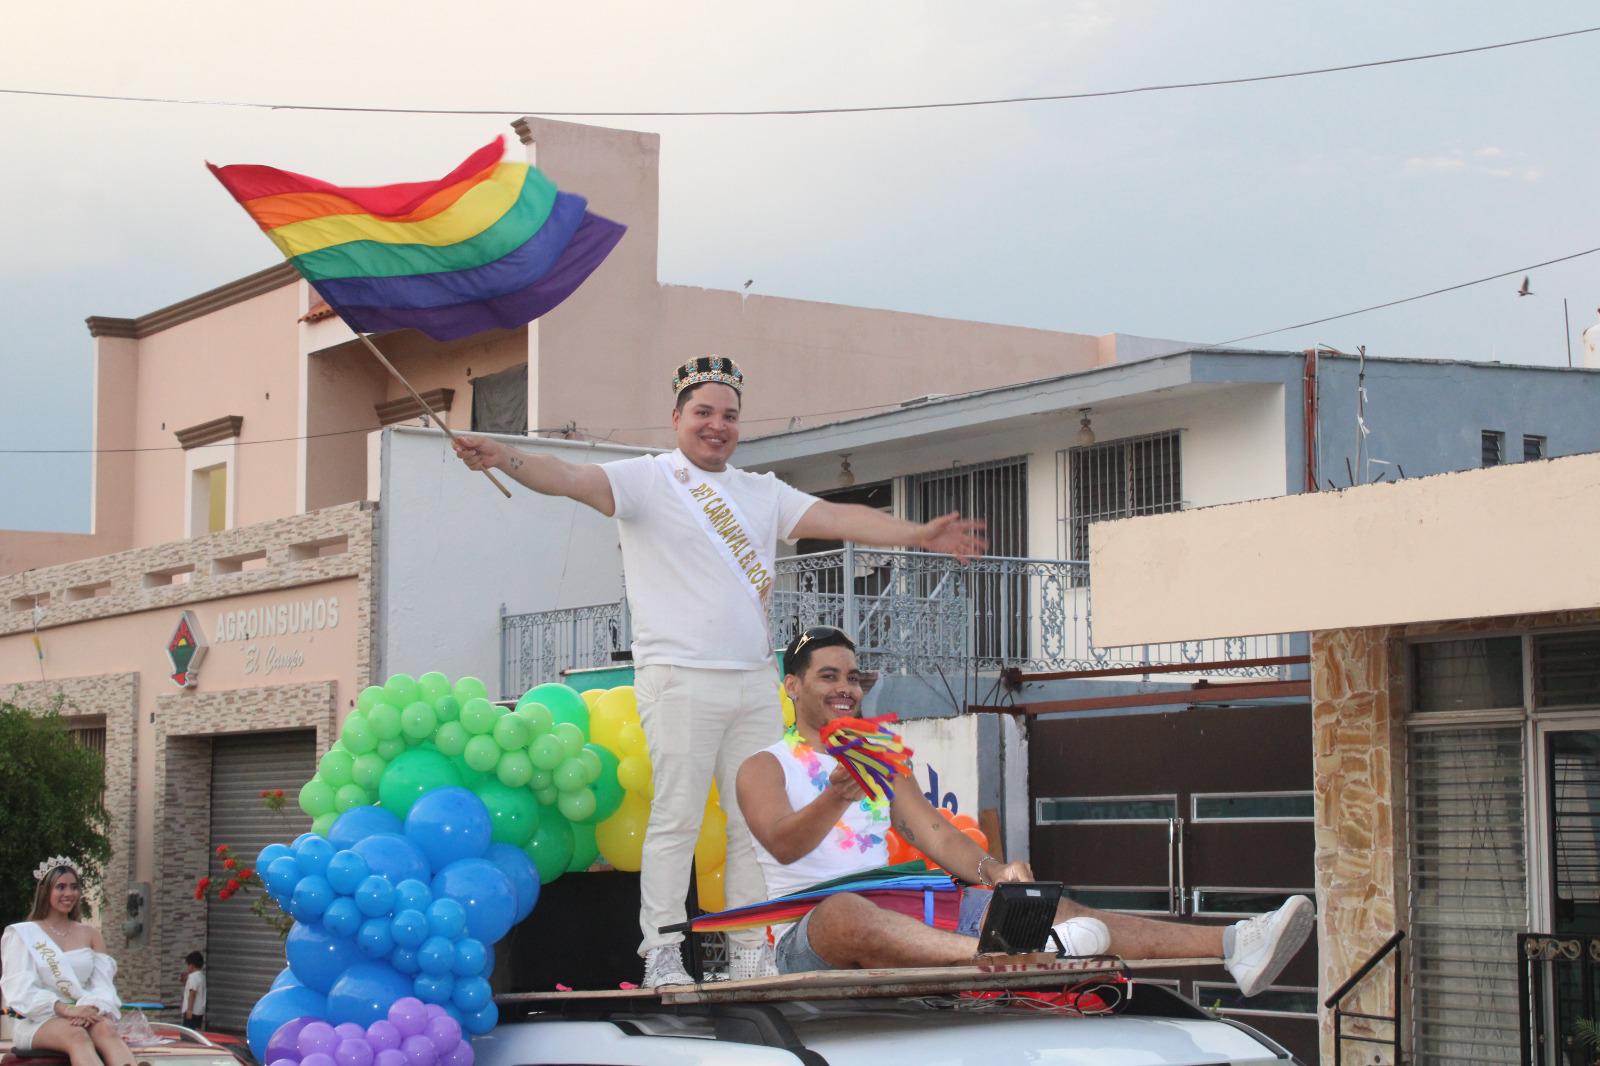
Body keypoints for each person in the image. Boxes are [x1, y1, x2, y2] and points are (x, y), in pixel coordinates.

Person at [453, 356, 987, 987]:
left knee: (752, 827)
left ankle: (746, 949)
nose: (716, 426)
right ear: (677, 418)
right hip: (678, 675)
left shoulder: (761, 491)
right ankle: (661, 954)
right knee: (675, 817)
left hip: (753, 680)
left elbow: (838, 518)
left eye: (729, 415)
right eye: (703, 413)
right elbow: (566, 475)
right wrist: (503, 455)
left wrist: (919, 532)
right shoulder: (648, 480)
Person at [736, 627, 1313, 996]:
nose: (846, 689)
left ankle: (1236, 944)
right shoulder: (765, 764)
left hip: (911, 916)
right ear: (792, 685)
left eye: (853, 677)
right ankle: (1017, 956)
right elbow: (784, 844)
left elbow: (932, 830)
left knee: (1047, 907)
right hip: (806, 937)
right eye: (828, 676)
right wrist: (837, 792)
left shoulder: (882, 753)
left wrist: (995, 873)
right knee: (845, 912)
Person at [0, 858, 142, 1066]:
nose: (69, 893)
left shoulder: (91, 934)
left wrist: (91, 1008)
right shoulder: (23, 934)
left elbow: (103, 986)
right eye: (61, 887)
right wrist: (65, 1010)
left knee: (107, 1028)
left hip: (84, 1013)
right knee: (76, 1035)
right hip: (36, 1020)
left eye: (74, 887)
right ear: (45, 892)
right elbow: (19, 990)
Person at [180, 952, 205, 1031]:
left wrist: (189, 1010)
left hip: (191, 1012)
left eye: (188, 965)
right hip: (199, 1011)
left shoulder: (192, 977)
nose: (187, 968)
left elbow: (192, 993)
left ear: (191, 965)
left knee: (188, 1033)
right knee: (196, 1032)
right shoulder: (202, 976)